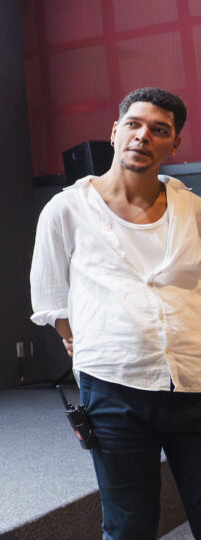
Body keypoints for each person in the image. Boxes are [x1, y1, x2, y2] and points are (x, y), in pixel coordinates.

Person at [30, 87, 201, 539]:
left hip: (194, 380)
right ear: (114, 131)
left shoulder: (194, 211)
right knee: (129, 525)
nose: (143, 136)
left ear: (174, 143)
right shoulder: (66, 209)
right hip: (113, 385)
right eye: (134, 124)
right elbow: (49, 296)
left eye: (159, 130)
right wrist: (77, 340)